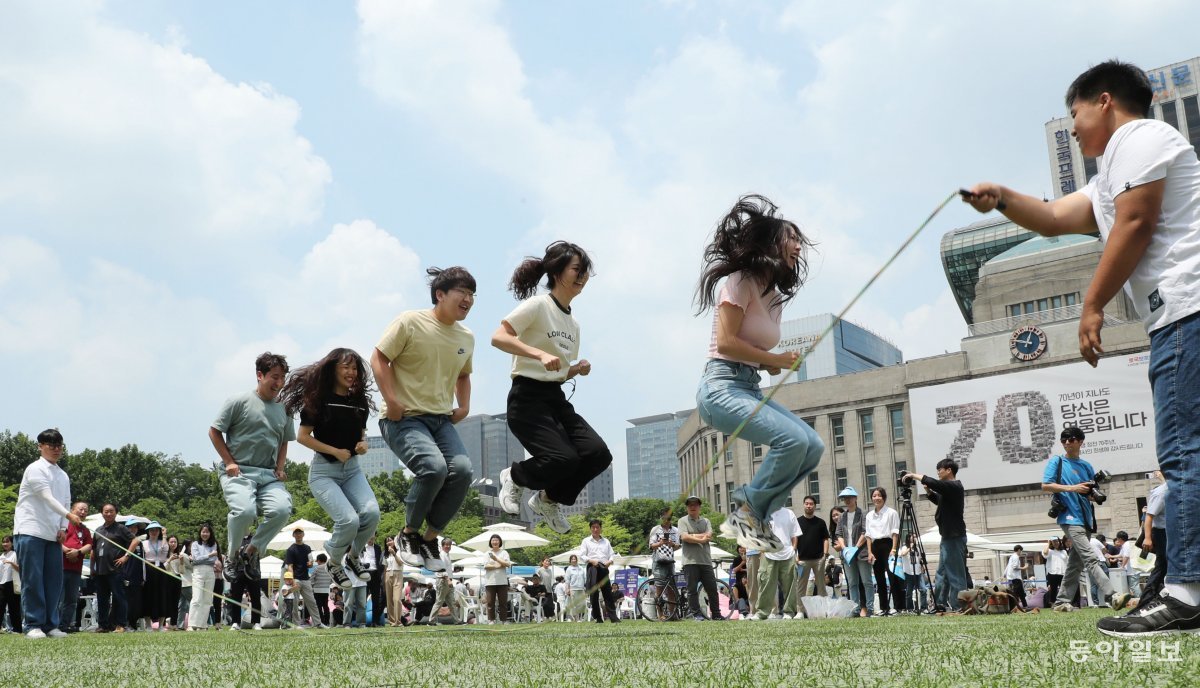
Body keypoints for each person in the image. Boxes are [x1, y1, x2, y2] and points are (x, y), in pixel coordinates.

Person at [964, 59, 1200, 637]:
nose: (1071, 128)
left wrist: (1092, 305)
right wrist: (1002, 198)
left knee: (1184, 454)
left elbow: (1137, 222)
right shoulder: (1108, 176)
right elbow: (1049, 218)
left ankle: (1186, 592)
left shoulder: (1140, 137)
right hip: (1177, 315)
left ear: (1103, 101)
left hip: (1186, 309)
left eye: (1073, 113)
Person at [692, 195, 824, 552]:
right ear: (771, 244)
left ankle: (755, 514)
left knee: (813, 445)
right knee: (793, 440)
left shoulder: (775, 298)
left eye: (799, 240)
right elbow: (727, 343)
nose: (798, 245)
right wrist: (777, 360)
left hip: (748, 386)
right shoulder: (738, 282)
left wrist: (774, 361)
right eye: (791, 238)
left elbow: (756, 356)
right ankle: (748, 508)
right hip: (720, 386)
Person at [493, 242, 612, 536]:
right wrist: (538, 354)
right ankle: (515, 476)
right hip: (527, 398)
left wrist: (574, 369)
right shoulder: (538, 305)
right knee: (563, 458)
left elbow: (556, 372)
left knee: (597, 453)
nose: (582, 277)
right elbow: (499, 337)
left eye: (586, 272)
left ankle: (548, 499)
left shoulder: (573, 324)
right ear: (557, 271)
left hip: (554, 398)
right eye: (576, 270)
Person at [373, 267, 475, 570]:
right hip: (404, 418)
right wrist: (391, 400)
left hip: (441, 420)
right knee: (433, 468)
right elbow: (379, 357)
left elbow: (464, 375)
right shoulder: (410, 321)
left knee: (463, 471)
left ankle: (429, 539)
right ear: (440, 294)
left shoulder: (466, 337)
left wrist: (464, 406)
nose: (468, 299)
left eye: (472, 294)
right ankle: (408, 534)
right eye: (462, 292)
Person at [279, 348, 381, 591]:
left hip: (353, 470)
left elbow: (362, 434)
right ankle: (334, 561)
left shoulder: (358, 401)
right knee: (348, 520)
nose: (351, 372)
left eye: (354, 368)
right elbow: (303, 437)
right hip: (324, 473)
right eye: (345, 367)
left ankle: (354, 557)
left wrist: (363, 444)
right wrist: (334, 451)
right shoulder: (318, 400)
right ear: (333, 369)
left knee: (371, 514)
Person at [211, 352, 295, 582]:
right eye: (274, 377)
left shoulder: (285, 409)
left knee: (282, 510)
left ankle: (251, 552)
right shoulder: (238, 402)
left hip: (268, 475)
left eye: (282, 378)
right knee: (245, 511)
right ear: (260, 375)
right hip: (239, 471)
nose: (279, 383)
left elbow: (284, 440)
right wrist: (229, 461)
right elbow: (214, 431)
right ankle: (231, 556)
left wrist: (280, 467)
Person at [1041, 427, 1129, 613]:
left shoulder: (1086, 466)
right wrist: (1073, 488)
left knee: (1075, 563)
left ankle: (1061, 602)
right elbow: (1046, 485)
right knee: (1090, 558)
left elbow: (1087, 493)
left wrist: (1091, 495)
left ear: (1080, 441)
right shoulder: (1057, 461)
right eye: (1063, 439)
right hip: (1069, 518)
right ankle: (1112, 595)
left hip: (1086, 518)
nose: (1066, 442)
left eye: (1071, 439)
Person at [13, 429, 83, 639]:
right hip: (31, 530)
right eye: (51, 445)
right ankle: (33, 624)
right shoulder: (35, 469)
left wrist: (63, 527)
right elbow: (46, 498)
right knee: (33, 580)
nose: (56, 449)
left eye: (59, 446)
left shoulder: (62, 475)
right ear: (40, 446)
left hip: (53, 535)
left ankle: (51, 625)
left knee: (54, 581)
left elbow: (64, 502)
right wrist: (69, 516)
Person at [907, 459, 968, 612]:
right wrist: (928, 492)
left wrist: (913, 475)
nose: (938, 472)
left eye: (939, 469)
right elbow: (939, 499)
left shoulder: (954, 486)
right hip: (947, 536)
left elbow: (936, 483)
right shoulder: (948, 491)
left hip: (954, 536)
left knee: (955, 574)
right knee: (942, 574)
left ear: (949, 470)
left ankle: (959, 605)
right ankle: (938, 604)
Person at [92, 504, 136, 633]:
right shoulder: (98, 530)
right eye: (106, 511)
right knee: (102, 599)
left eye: (111, 511)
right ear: (102, 513)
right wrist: (92, 567)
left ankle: (121, 624)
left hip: (115, 569)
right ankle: (103, 625)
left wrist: (126, 557)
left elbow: (135, 541)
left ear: (116, 513)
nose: (109, 514)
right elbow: (94, 549)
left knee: (119, 597)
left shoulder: (120, 528)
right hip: (100, 570)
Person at [752, 505, 801, 621]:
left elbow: (794, 534)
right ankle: (761, 613)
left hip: (787, 554)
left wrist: (793, 549)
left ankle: (789, 612)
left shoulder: (789, 513)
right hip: (769, 554)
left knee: (790, 585)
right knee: (765, 584)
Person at [677, 496, 722, 621]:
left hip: (706, 561)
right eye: (690, 505)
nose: (692, 507)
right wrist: (700, 538)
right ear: (687, 507)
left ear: (699, 507)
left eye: (695, 505)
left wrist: (693, 536)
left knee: (712, 589)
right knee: (692, 590)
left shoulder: (706, 521)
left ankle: (716, 614)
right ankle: (696, 614)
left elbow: (709, 536)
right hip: (690, 561)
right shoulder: (682, 521)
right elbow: (684, 537)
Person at [833, 487, 873, 618]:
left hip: (861, 552)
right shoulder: (842, 516)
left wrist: (855, 547)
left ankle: (870, 608)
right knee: (852, 582)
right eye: (845, 498)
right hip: (847, 554)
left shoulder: (863, 514)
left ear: (855, 498)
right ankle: (855, 609)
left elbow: (865, 531)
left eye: (850, 497)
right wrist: (844, 548)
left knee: (866, 581)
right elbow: (838, 533)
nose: (847, 500)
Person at [865, 487, 900, 617]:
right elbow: (868, 535)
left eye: (879, 495)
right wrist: (869, 552)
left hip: (888, 545)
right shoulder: (869, 515)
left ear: (884, 497)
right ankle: (883, 607)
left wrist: (894, 549)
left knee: (892, 576)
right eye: (874, 496)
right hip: (875, 547)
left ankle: (897, 606)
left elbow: (895, 532)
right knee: (879, 579)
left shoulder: (891, 512)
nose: (876, 498)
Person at [58, 501, 91, 633]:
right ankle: (53, 624)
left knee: (71, 599)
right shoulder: (63, 524)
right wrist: (67, 551)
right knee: (58, 599)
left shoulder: (85, 529)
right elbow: (56, 540)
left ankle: (64, 625)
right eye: (80, 509)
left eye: (85, 510)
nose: (82, 512)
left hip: (76, 569)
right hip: (60, 567)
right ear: (72, 510)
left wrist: (78, 552)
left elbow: (89, 545)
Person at [580, 519, 619, 623]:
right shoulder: (586, 541)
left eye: (597, 527)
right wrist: (591, 560)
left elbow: (612, 554)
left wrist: (610, 561)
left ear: (601, 528)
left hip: (604, 567)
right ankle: (598, 618)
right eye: (593, 527)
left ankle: (613, 618)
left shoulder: (606, 541)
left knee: (607, 593)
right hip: (592, 567)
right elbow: (582, 555)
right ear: (590, 529)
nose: (595, 529)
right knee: (594, 594)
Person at [282, 529, 322, 628]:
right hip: (296, 578)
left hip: (306, 578)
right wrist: (292, 580)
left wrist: (310, 564)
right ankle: (296, 624)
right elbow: (290, 566)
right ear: (293, 535)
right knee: (295, 603)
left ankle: (318, 623)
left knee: (312, 602)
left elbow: (310, 562)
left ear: (303, 534)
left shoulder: (308, 548)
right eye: (296, 533)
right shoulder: (291, 549)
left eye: (300, 533)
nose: (298, 535)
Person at [648, 508, 681, 620]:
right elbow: (651, 546)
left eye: (669, 518)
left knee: (672, 589)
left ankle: (672, 614)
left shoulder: (675, 530)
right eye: (664, 518)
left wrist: (672, 544)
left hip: (670, 561)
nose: (667, 521)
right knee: (659, 589)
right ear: (661, 518)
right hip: (658, 561)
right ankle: (660, 614)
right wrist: (660, 543)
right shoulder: (655, 529)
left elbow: (678, 546)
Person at [795, 496, 829, 601]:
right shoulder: (797, 521)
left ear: (815, 506)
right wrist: (795, 556)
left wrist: (825, 555)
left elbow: (826, 539)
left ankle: (824, 610)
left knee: (821, 587)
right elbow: (794, 539)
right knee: (801, 587)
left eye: (811, 504)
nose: (809, 506)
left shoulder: (821, 522)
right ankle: (800, 611)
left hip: (818, 559)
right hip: (802, 560)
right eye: (806, 503)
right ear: (803, 505)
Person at [139, 521, 171, 631]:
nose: (154, 532)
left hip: (161, 569)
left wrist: (165, 535)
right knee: (148, 595)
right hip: (148, 568)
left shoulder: (163, 541)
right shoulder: (144, 543)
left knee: (162, 595)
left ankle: (161, 625)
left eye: (156, 530)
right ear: (148, 531)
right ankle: (148, 625)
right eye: (151, 530)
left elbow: (164, 551)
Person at [187, 524, 220, 631]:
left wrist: (207, 557)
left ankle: (202, 624)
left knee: (207, 600)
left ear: (210, 533)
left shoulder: (213, 544)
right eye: (203, 532)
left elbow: (213, 560)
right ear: (200, 533)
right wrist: (209, 555)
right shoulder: (195, 544)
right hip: (198, 571)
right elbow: (195, 559)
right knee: (196, 598)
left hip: (210, 571)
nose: (205, 534)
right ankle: (192, 624)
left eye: (207, 532)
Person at [482, 534, 512, 624]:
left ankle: (503, 620)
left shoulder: (504, 553)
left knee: (503, 602)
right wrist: (497, 566)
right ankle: (491, 620)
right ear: (490, 542)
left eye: (497, 540)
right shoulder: (487, 553)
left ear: (500, 542)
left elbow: (507, 564)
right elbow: (486, 566)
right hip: (490, 581)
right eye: (493, 540)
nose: (495, 542)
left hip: (502, 581)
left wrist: (496, 559)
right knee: (490, 602)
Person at [898, 533, 928, 613]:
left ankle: (923, 607)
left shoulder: (917, 548)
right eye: (913, 537)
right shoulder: (904, 547)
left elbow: (920, 559)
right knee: (909, 592)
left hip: (918, 572)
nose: (915, 538)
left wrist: (922, 567)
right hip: (908, 572)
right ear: (908, 538)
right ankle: (910, 608)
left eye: (915, 537)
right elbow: (902, 554)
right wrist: (909, 548)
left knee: (923, 590)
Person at [167, 536, 191, 630]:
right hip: (167, 578)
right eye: (171, 542)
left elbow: (182, 571)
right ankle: (166, 622)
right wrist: (169, 559)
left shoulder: (179, 554)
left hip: (177, 578)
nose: (173, 544)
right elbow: (163, 567)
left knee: (176, 603)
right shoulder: (165, 554)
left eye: (175, 542)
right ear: (168, 543)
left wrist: (181, 562)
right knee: (168, 602)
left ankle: (174, 624)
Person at [0, 535, 21, 634]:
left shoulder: (15, 554)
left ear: (12, 543)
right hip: (1, 584)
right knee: (1, 606)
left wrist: (11, 563)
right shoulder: (1, 556)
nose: (5, 544)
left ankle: (17, 629)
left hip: (12, 583)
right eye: (3, 542)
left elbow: (20, 569)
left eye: (7, 541)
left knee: (14, 608)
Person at [384, 536, 405, 627]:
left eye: (390, 540)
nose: (389, 543)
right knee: (389, 600)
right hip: (388, 574)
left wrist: (394, 553)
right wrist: (385, 578)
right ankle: (392, 621)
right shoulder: (385, 554)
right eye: (387, 541)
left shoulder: (400, 551)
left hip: (398, 574)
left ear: (394, 541)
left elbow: (400, 563)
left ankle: (398, 621)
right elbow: (385, 567)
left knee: (397, 599)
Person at [1114, 531, 1141, 600]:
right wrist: (1111, 556)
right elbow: (1120, 555)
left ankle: (1140, 600)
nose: (1117, 540)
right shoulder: (1125, 545)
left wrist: (1122, 566)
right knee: (1133, 586)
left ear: (1120, 538)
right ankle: (1138, 600)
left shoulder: (1126, 545)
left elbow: (1126, 556)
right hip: (1130, 570)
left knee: (1134, 586)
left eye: (1117, 539)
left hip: (1132, 570)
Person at [1043, 538, 1068, 610]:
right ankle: (1053, 604)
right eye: (1054, 542)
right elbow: (1045, 553)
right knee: (1053, 589)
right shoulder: (1050, 551)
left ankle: (1064, 603)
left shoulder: (1063, 551)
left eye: (1057, 541)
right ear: (1051, 543)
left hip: (1062, 572)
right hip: (1052, 572)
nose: (1056, 543)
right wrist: (1048, 543)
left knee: (1063, 589)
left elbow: (1067, 561)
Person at [1004, 546, 1029, 610]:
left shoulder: (1012, 556)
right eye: (1021, 551)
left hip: (1011, 577)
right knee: (1016, 593)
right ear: (1018, 550)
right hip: (1015, 577)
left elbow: (1008, 566)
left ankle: (1025, 606)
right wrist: (1024, 567)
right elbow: (1015, 567)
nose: (1021, 552)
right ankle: (1013, 606)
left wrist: (1004, 574)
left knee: (1020, 593)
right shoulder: (1016, 557)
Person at [311, 554, 332, 627]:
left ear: (319, 560)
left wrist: (313, 585)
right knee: (326, 606)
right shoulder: (329, 568)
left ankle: (321, 622)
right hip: (326, 590)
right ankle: (327, 622)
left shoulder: (317, 568)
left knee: (319, 607)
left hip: (317, 590)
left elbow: (312, 579)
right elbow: (332, 579)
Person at [564, 554, 586, 621]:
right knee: (574, 605)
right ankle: (577, 618)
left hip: (581, 588)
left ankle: (577, 617)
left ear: (577, 560)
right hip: (573, 588)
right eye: (572, 559)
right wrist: (567, 589)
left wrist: (585, 587)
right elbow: (567, 580)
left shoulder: (581, 568)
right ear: (570, 561)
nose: (574, 560)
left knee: (582, 604)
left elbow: (585, 578)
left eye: (575, 559)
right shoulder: (569, 569)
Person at [728, 545, 749, 616]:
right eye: (740, 548)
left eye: (744, 547)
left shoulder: (750, 558)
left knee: (748, 600)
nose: (742, 549)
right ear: (738, 549)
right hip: (736, 604)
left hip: (747, 577)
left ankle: (746, 610)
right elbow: (734, 570)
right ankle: (744, 612)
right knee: (741, 600)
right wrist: (743, 562)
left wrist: (743, 569)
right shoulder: (736, 559)